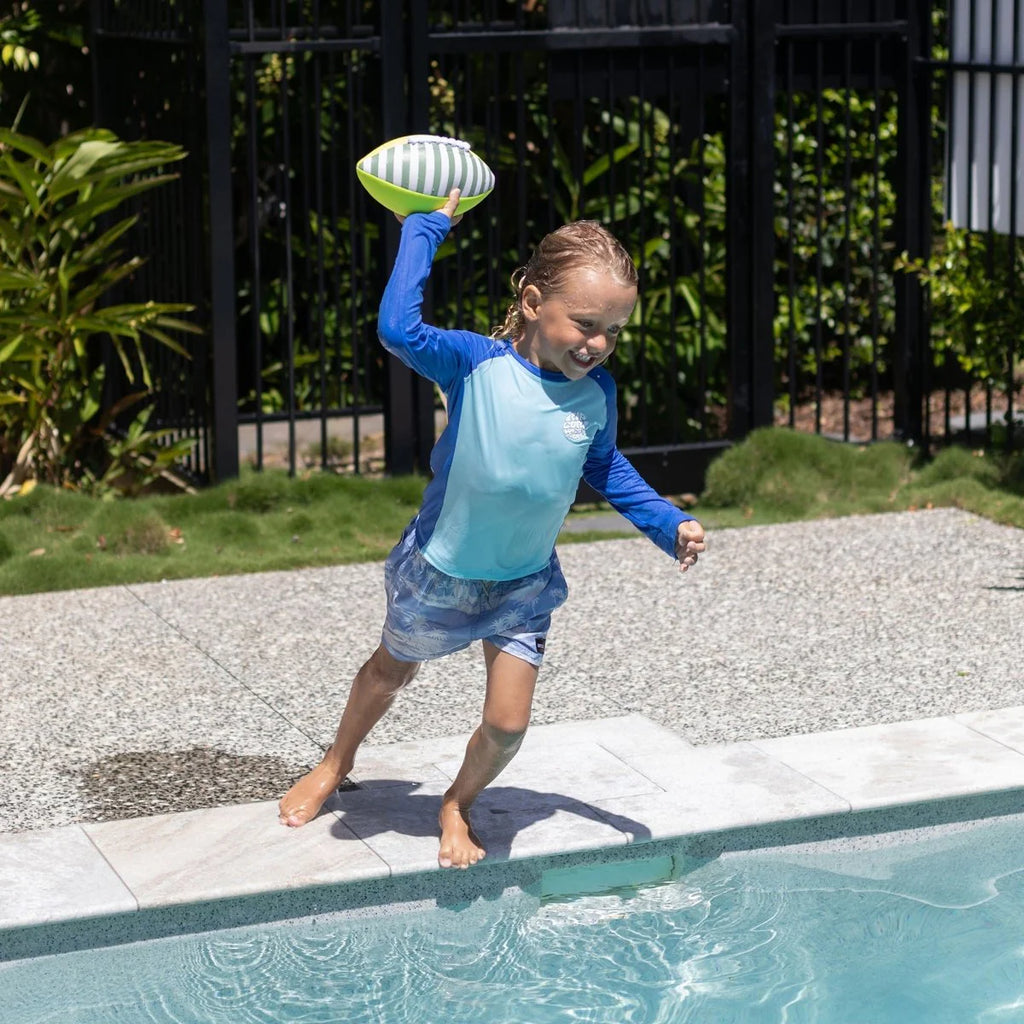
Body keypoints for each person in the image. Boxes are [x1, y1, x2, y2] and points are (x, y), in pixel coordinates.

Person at [278, 189, 706, 868]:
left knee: (507, 726)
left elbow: (607, 466)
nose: (599, 345)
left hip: (523, 584)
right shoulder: (477, 365)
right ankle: (336, 761)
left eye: (614, 332)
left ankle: (457, 803)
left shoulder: (598, 395)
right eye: (586, 324)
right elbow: (399, 331)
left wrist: (666, 523)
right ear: (534, 304)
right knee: (391, 672)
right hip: (442, 569)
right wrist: (423, 231)